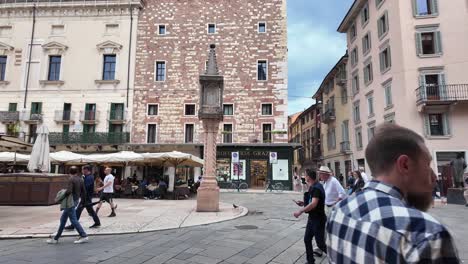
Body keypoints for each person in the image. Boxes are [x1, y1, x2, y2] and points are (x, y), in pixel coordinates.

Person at [327, 124, 459, 263]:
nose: (434, 176)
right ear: (405, 165)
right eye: (427, 164)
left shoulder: (338, 210)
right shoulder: (426, 233)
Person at [47, 166, 88, 244]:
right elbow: (84, 192)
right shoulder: (80, 179)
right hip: (76, 201)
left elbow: (69, 191)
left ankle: (83, 235)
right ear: (77, 171)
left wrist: (61, 196)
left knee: (73, 220)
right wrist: (83, 202)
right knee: (63, 219)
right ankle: (56, 238)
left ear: (69, 172)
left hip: (70, 201)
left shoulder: (71, 179)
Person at [293, 169, 327, 264]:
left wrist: (300, 211)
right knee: (307, 239)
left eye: (305, 175)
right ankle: (310, 261)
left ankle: (338, 258)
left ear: (308, 177)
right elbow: (312, 202)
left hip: (318, 219)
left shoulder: (316, 188)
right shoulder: (314, 186)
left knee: (320, 244)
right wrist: (303, 203)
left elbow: (314, 204)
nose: (304, 176)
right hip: (312, 218)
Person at [65, 165, 101, 230]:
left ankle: (73, 225)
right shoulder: (87, 177)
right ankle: (97, 222)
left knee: (78, 211)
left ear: (86, 170)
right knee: (90, 211)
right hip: (86, 197)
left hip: (86, 197)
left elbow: (85, 187)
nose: (82, 171)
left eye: (83, 169)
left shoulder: (89, 178)